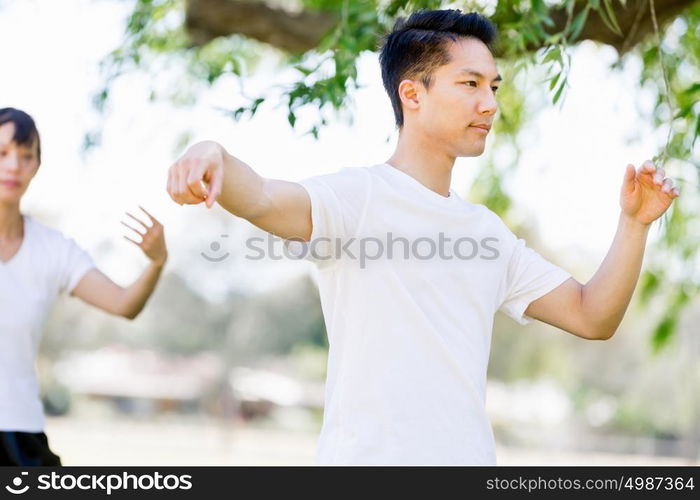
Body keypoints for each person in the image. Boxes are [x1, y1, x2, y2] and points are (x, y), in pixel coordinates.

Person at [165, 10, 680, 465]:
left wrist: (634, 224)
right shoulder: (358, 198)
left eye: (494, 87)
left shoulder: (487, 235)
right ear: (412, 93)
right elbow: (260, 197)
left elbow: (593, 316)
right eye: (470, 84)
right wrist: (213, 154)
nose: (490, 104)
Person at [0, 107, 168, 465]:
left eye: (25, 155)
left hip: (21, 434)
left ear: (37, 166)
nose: (13, 166)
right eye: (2, 154)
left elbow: (125, 304)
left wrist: (156, 262)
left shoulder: (55, 250)